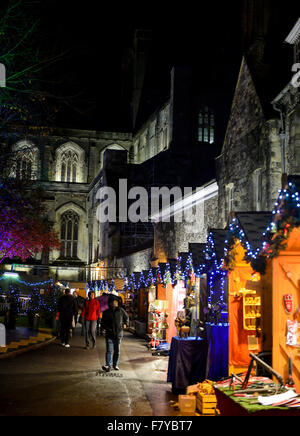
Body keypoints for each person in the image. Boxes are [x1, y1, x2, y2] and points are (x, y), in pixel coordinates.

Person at [101, 296, 129, 372]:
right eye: (113, 302)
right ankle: (108, 365)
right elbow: (102, 323)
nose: (115, 303)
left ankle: (115, 364)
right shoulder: (106, 311)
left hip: (118, 334)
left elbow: (126, 317)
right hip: (109, 334)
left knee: (117, 351)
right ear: (110, 303)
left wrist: (126, 323)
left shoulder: (120, 310)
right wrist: (107, 329)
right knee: (109, 351)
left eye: (116, 302)